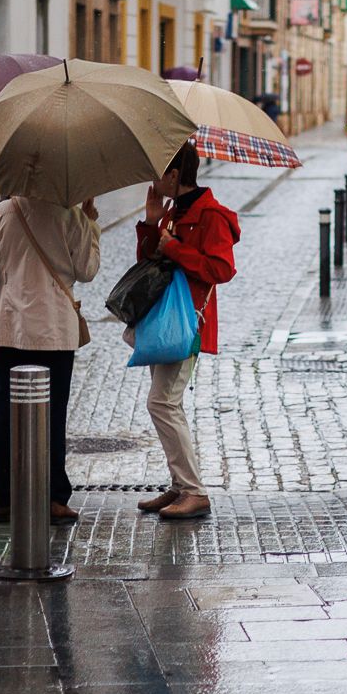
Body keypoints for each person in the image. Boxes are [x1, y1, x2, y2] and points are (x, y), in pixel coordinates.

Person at [0, 195, 100, 524]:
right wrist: (90, 222)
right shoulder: (68, 212)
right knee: (53, 415)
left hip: (8, 327)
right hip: (53, 329)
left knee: (5, 416)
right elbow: (86, 270)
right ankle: (54, 497)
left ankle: (3, 497)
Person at [134, 144, 239, 520]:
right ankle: (180, 486)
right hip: (162, 317)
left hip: (189, 321)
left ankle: (194, 490)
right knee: (166, 403)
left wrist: (175, 247)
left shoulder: (210, 215)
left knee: (161, 402)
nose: (153, 179)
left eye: (158, 171)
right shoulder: (171, 212)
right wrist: (149, 223)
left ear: (175, 175)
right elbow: (147, 261)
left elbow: (222, 269)